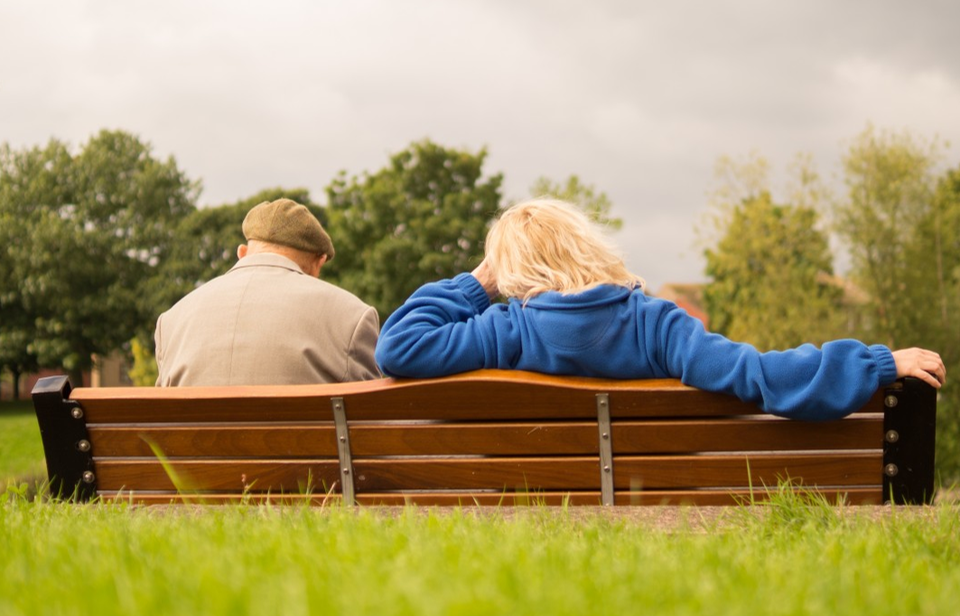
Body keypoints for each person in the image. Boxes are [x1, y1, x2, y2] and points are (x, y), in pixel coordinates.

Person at [374, 198, 945, 421]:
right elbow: (757, 374)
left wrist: (478, 284)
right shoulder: (656, 324)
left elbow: (398, 346)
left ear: (513, 272)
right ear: (587, 247)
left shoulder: (503, 329)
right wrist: (874, 364)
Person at [155, 198, 380, 386]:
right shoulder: (352, 316)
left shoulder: (171, 321)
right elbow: (372, 421)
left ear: (242, 252)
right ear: (318, 262)